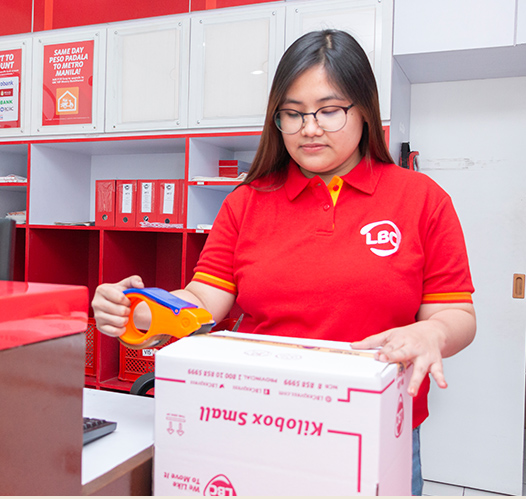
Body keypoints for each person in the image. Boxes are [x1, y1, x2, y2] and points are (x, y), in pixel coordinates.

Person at [91, 29, 475, 496]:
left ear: (365, 110)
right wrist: (137, 311)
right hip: (260, 424)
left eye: (329, 111)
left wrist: (432, 333)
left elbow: (457, 314)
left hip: (376, 430)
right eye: (292, 114)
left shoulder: (421, 199)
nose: (309, 128)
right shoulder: (247, 202)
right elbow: (201, 303)